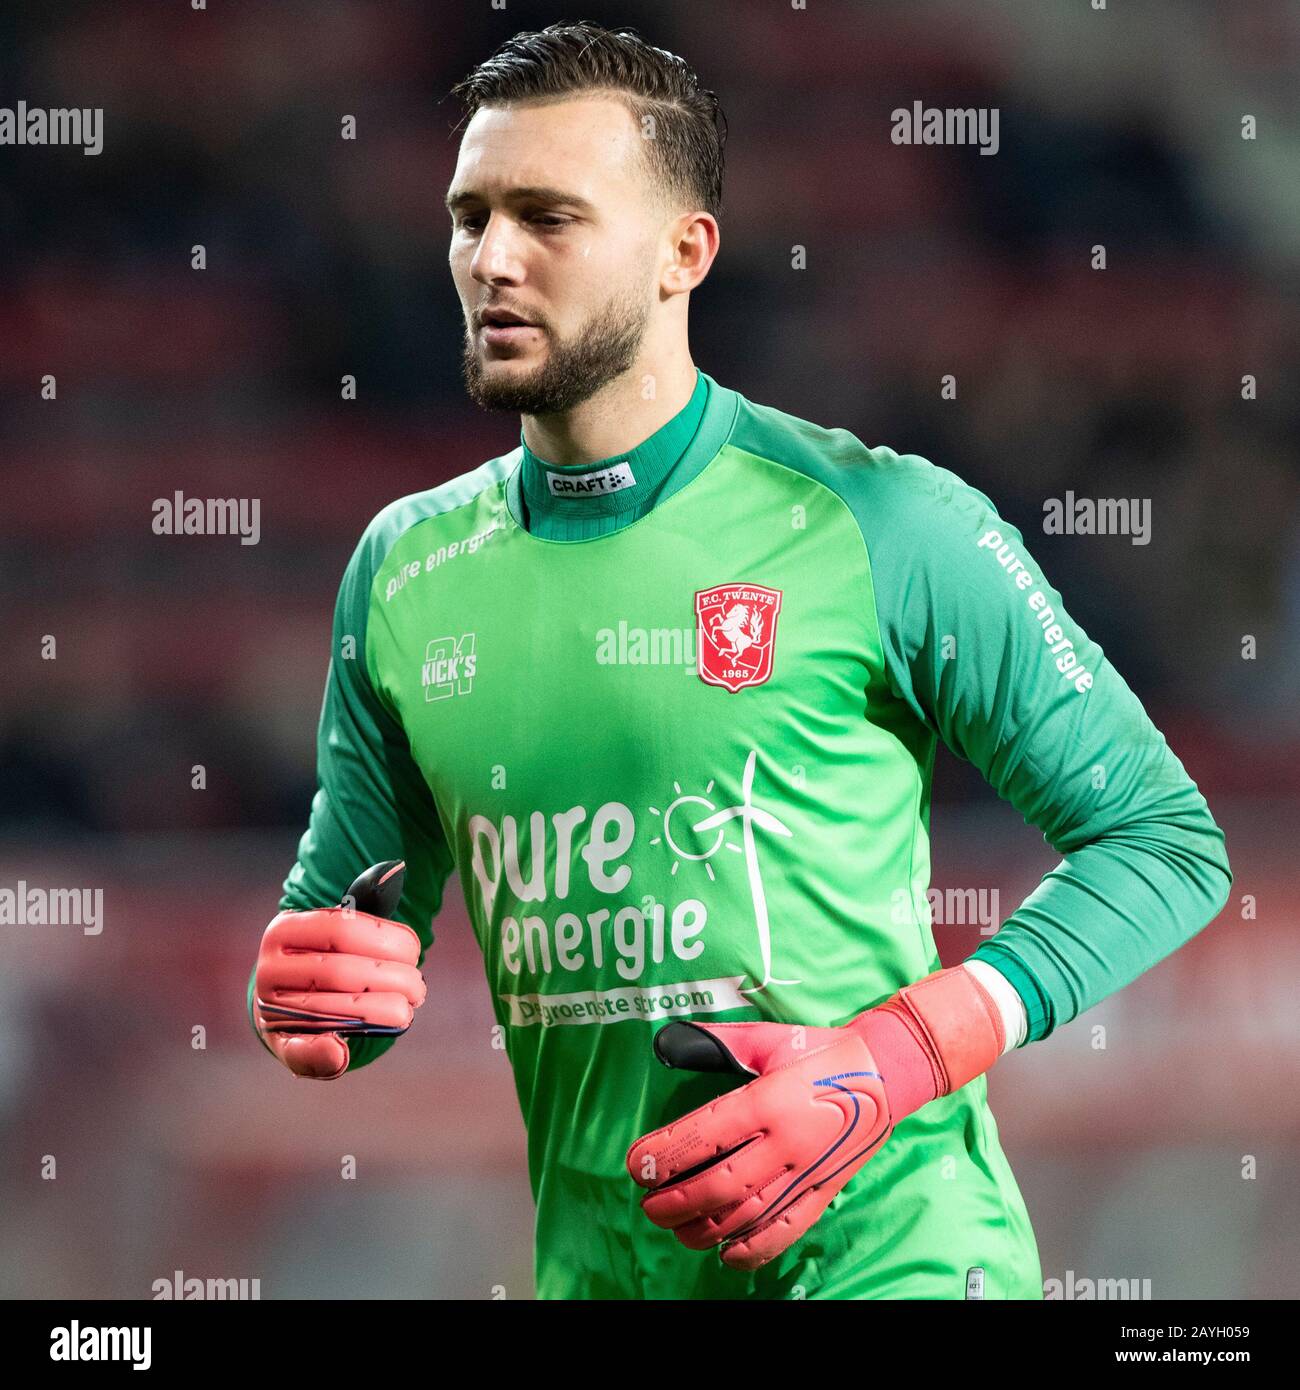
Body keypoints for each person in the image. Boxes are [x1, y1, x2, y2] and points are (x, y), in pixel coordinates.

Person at [248, 21, 1231, 1300]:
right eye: (469, 217)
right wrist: (309, 997)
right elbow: (349, 942)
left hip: (891, 1265)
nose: (491, 259)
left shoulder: (883, 521)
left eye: (547, 217)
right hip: (603, 1274)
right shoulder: (405, 570)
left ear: (684, 253)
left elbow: (1163, 842)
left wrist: (902, 1053)